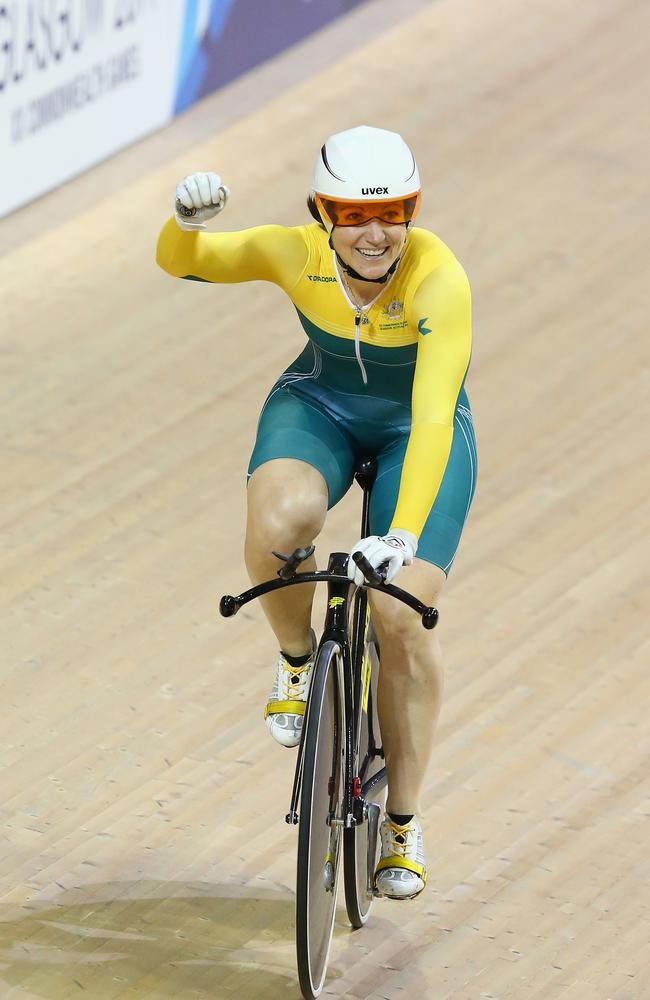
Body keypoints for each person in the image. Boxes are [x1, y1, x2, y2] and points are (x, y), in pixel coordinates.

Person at [156, 125, 477, 901]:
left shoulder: (440, 279)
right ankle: (299, 659)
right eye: (353, 214)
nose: (375, 233)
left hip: (415, 434)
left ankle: (401, 818)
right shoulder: (292, 251)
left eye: (395, 212)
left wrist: (397, 537)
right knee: (279, 524)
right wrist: (185, 223)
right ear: (320, 213)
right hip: (319, 406)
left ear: (413, 210)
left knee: (400, 616)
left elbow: (433, 418)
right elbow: (184, 261)